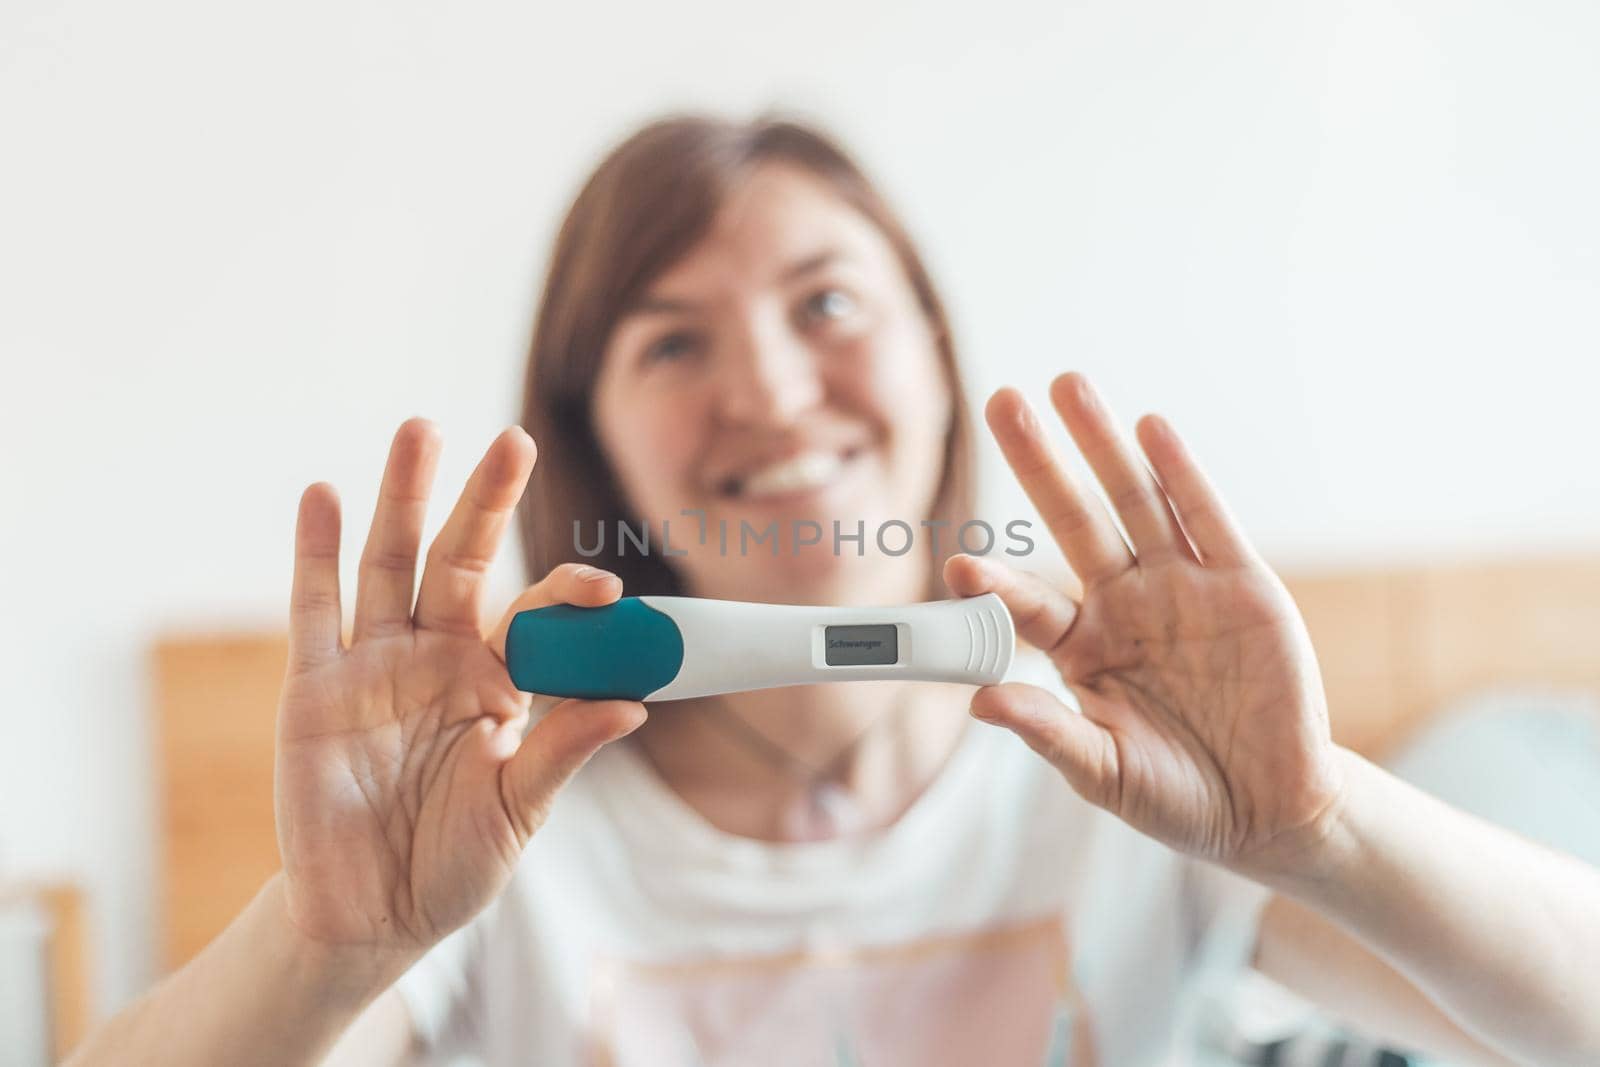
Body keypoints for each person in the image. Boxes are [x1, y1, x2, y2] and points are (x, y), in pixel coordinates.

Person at [70, 116, 1600, 1067]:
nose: (776, 390)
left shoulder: (1140, 793)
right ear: (593, 436)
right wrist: (327, 951)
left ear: (938, 359)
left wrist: (1322, 823)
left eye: (831, 303)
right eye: (673, 341)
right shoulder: (489, 832)